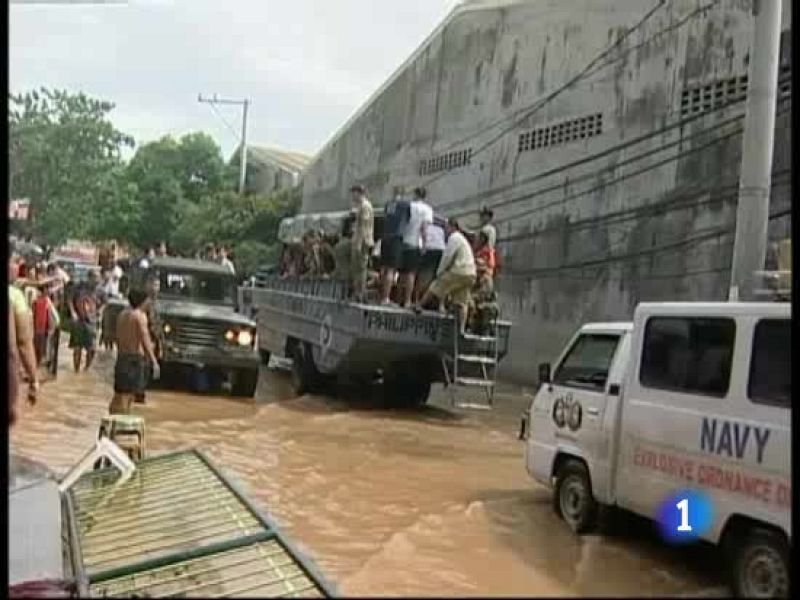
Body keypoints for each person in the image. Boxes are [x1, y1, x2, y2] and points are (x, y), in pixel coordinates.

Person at [413, 218, 476, 334]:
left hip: (460, 270)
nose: (445, 230)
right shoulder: (463, 239)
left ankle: (419, 305)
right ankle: (461, 329)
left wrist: (439, 271)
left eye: (446, 227)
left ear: (452, 227)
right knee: (462, 301)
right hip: (470, 273)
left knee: (437, 285)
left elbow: (447, 256)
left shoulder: (454, 238)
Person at [110, 289, 160, 415]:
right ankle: (123, 421)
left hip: (121, 357)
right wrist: (154, 361)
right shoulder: (140, 316)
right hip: (133, 359)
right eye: (148, 300)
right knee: (129, 396)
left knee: (119, 394)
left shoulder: (122, 315)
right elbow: (145, 338)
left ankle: (112, 420)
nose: (150, 303)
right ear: (142, 301)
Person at [9, 247, 40, 407]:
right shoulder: (14, 295)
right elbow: (22, 343)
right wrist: (34, 380)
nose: (18, 267)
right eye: (15, 262)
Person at [398, 187, 434, 307]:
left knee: (401, 273)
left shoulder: (409, 206)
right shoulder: (427, 210)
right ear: (425, 196)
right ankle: (408, 300)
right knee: (411, 273)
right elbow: (424, 228)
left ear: (415, 194)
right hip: (415, 243)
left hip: (403, 241)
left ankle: (398, 299)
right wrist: (425, 244)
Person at [378, 191, 411, 304]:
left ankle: (381, 295)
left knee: (384, 269)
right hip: (396, 238)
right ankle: (386, 298)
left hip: (385, 238)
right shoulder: (404, 205)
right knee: (391, 270)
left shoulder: (388, 205)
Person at [68, 269, 101, 372]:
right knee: (77, 348)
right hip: (79, 319)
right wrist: (73, 312)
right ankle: (76, 371)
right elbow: (69, 299)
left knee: (92, 349)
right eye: (95, 278)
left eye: (98, 278)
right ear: (89, 278)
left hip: (92, 322)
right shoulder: (79, 287)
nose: (97, 280)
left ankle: (86, 369)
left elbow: (105, 302)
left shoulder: (100, 290)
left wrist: (101, 311)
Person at [349, 184, 374, 301]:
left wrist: (358, 243)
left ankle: (360, 293)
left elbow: (364, 227)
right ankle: (357, 292)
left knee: (361, 268)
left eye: (354, 193)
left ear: (359, 193)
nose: (352, 196)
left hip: (363, 241)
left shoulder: (365, 206)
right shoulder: (360, 206)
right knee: (357, 268)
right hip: (359, 240)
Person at [415, 214, 446, 302]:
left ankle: (417, 299)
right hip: (441, 250)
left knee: (421, 274)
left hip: (429, 249)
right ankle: (440, 304)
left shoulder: (423, 225)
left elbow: (421, 240)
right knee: (439, 277)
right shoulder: (440, 229)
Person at [468, 258, 499, 335]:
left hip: (484, 303)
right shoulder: (471, 278)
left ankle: (475, 327)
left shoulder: (487, 279)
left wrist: (471, 297)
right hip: (472, 303)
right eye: (477, 271)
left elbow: (483, 293)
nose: (479, 273)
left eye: (481, 271)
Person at [32, 284, 59, 368]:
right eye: (46, 289)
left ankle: (38, 365)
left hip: (44, 327)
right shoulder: (36, 300)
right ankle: (36, 365)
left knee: (41, 348)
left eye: (48, 289)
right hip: (37, 326)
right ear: (42, 290)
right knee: (37, 347)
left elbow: (52, 314)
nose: (48, 290)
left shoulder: (47, 300)